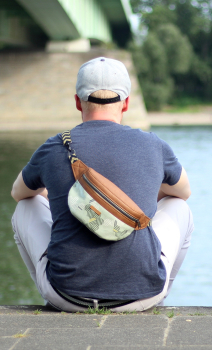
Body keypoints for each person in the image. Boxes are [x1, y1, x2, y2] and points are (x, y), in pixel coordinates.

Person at [11, 57, 193, 312]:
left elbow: (18, 193)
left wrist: (62, 193)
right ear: (126, 103)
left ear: (77, 101)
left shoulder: (54, 146)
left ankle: (49, 294)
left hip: (67, 296)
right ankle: (158, 295)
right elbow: (183, 192)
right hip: (140, 299)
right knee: (179, 206)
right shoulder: (153, 144)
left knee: (25, 206)